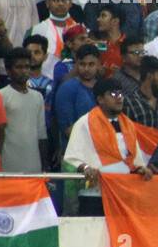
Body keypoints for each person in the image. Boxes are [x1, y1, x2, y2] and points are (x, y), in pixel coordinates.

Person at [63, 78, 151, 215]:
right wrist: (86, 168)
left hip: (123, 194)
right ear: (100, 99)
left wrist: (140, 169)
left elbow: (134, 160)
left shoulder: (128, 125)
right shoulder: (84, 123)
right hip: (94, 195)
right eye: (113, 94)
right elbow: (71, 158)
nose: (119, 98)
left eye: (121, 94)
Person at [0, 48, 47, 174]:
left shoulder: (38, 97)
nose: (24, 71)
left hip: (34, 166)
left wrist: (44, 166)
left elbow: (41, 134)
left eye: (26, 67)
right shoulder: (0, 96)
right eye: (18, 67)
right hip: (8, 166)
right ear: (8, 70)